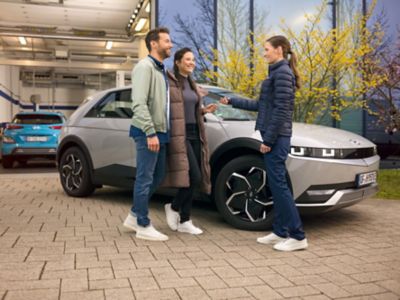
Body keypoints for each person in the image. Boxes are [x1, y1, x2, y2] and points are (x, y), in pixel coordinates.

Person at [220, 35, 308, 251]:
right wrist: (231, 101)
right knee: (277, 186)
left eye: (267, 49)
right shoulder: (277, 73)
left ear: (279, 50)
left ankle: (297, 236)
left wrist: (268, 140)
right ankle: (280, 232)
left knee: (279, 187)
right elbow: (261, 105)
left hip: (276, 138)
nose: (264, 53)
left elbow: (281, 111)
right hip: (274, 136)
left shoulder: (283, 74)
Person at [123, 27, 173, 241]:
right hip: (148, 132)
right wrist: (150, 132)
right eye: (167, 41)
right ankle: (143, 224)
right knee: (144, 179)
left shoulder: (159, 69)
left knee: (158, 175)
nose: (171, 44)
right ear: (154, 43)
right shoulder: (145, 67)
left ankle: (134, 214)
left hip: (160, 131)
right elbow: (139, 103)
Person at [163, 47, 217, 234]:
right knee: (192, 176)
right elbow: (170, 111)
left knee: (198, 176)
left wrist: (203, 111)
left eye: (193, 59)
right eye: (187, 59)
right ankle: (174, 207)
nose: (192, 62)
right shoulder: (170, 83)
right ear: (177, 62)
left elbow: (188, 109)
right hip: (181, 134)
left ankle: (185, 220)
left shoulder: (191, 82)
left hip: (196, 133)